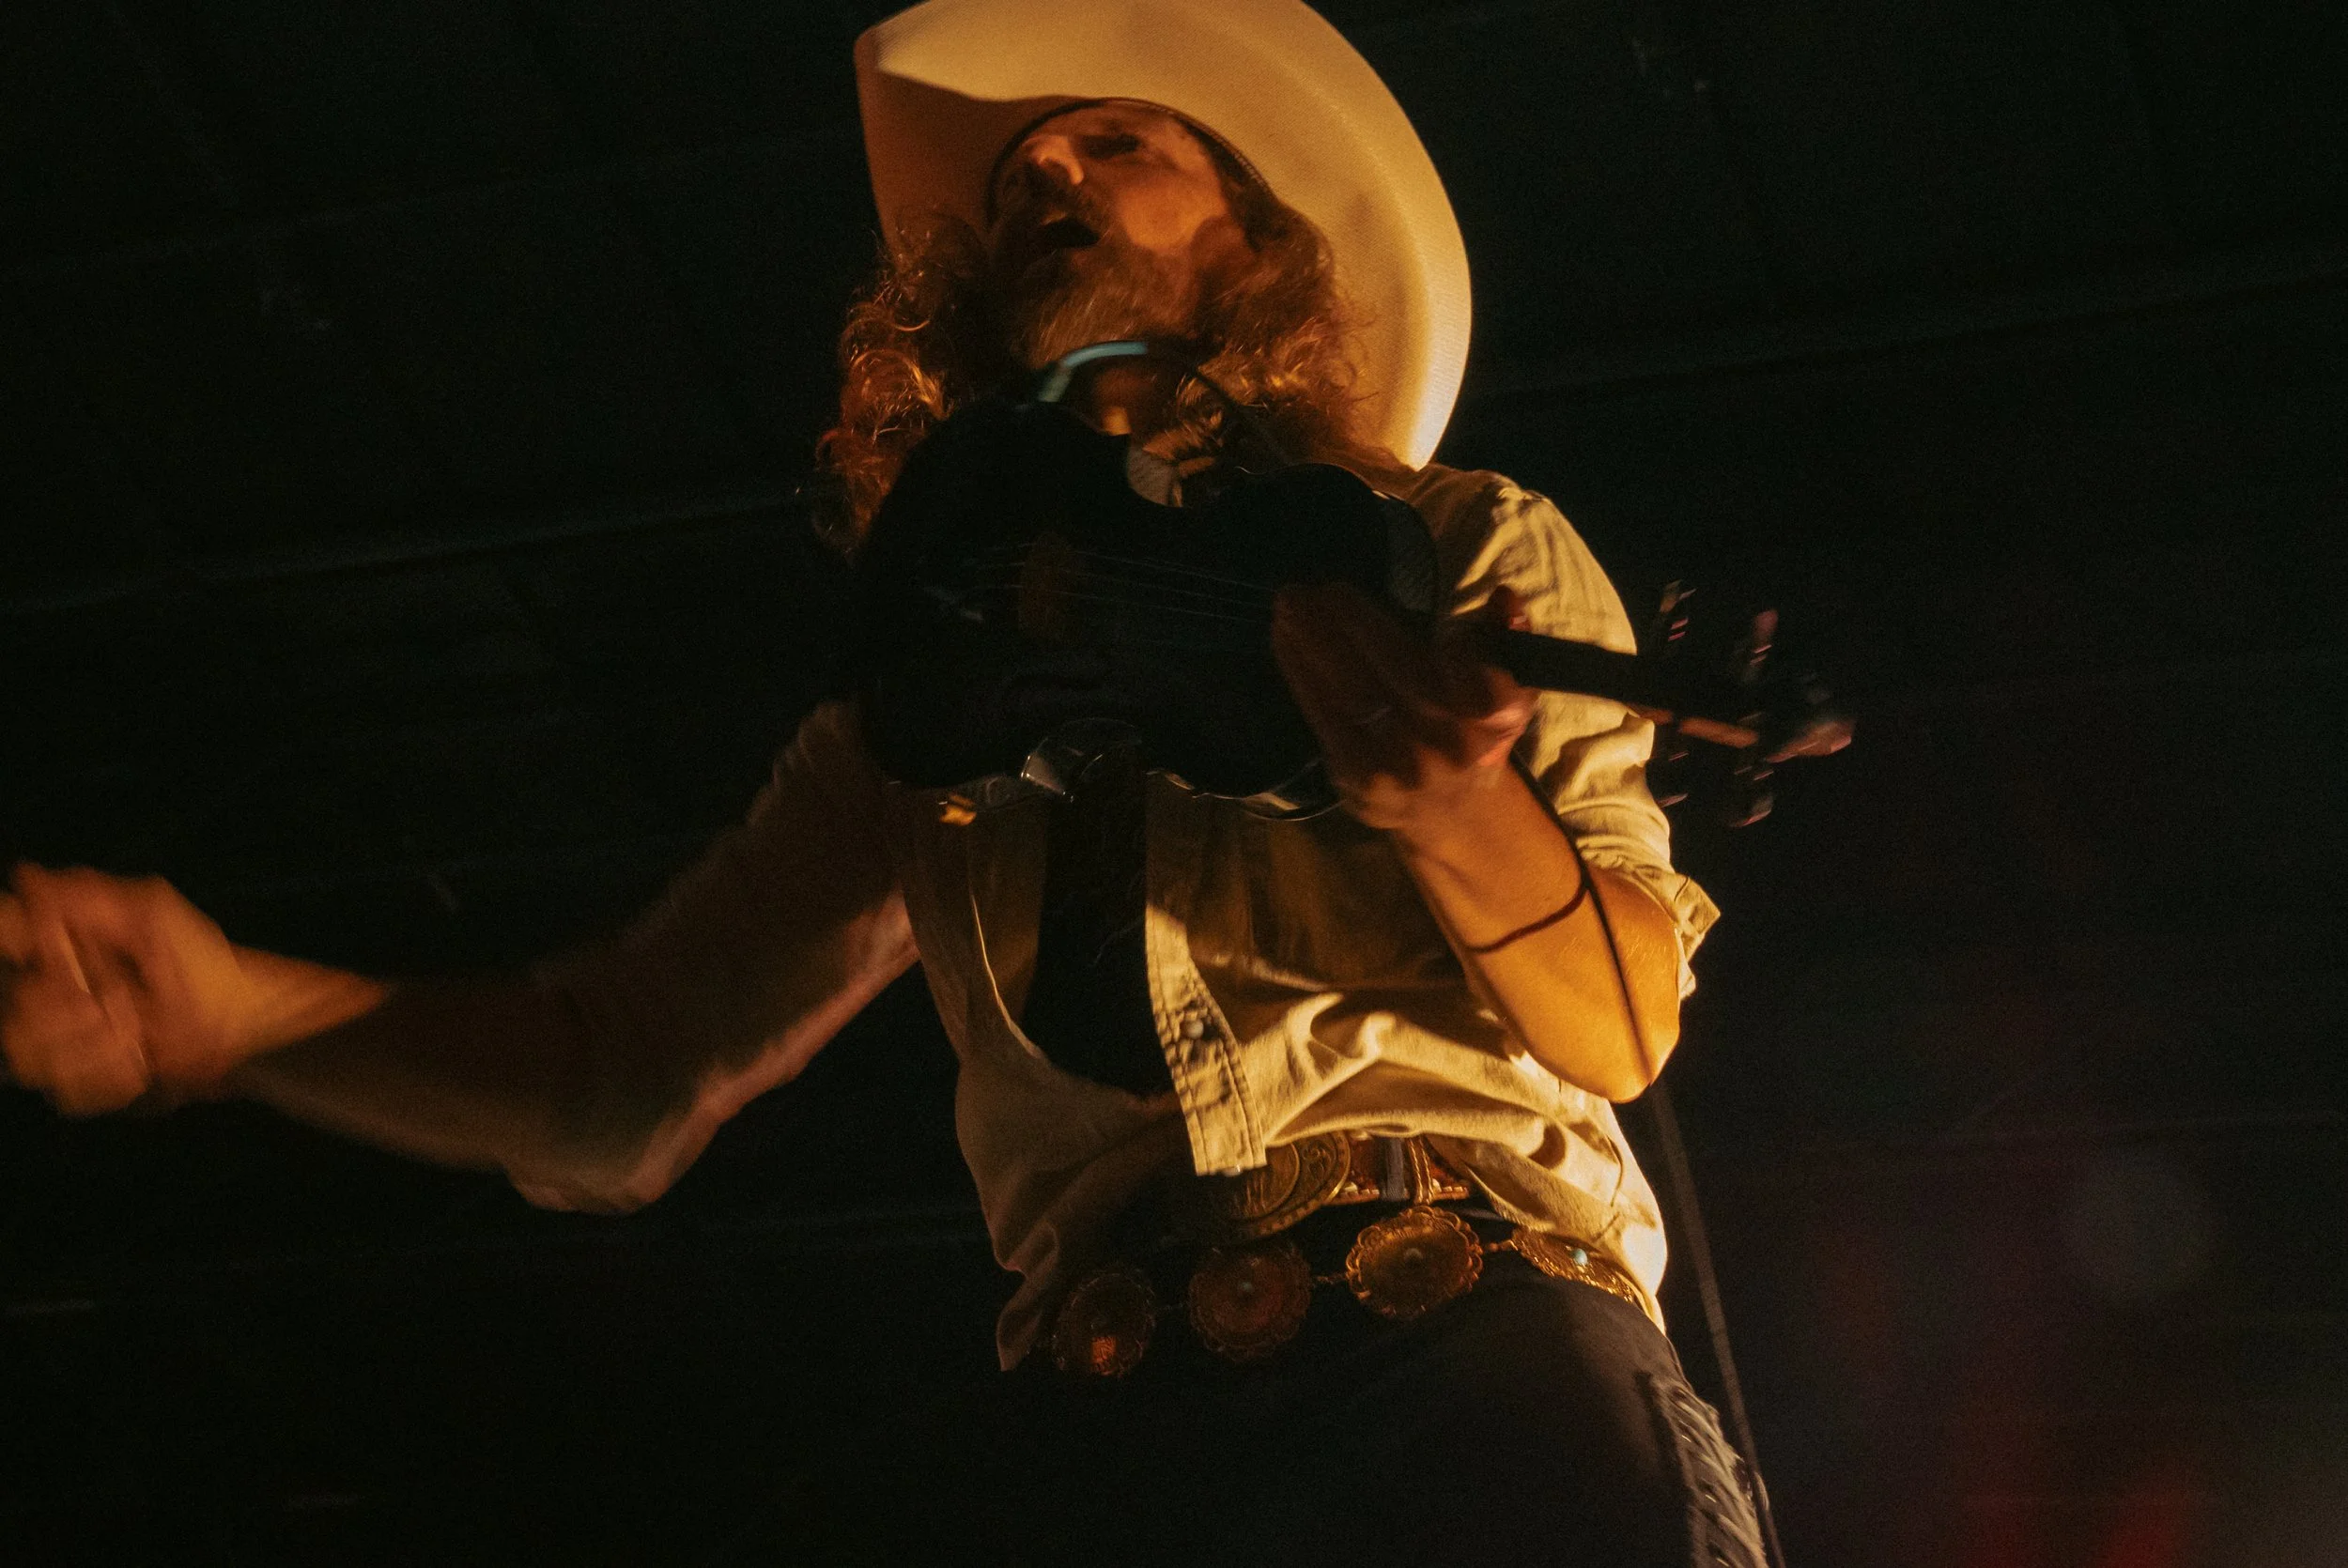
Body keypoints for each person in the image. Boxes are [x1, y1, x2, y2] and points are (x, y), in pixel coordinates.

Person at [2, 2, 1765, 1562]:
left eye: (1118, 144)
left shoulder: (1455, 541)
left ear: (1259, 239)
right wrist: (236, 1014)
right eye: (1015, 181)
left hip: (1467, 1358)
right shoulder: (934, 686)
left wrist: (1459, 811)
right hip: (1108, 1434)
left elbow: (1617, 1027)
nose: (1046, 181)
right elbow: (618, 1079)